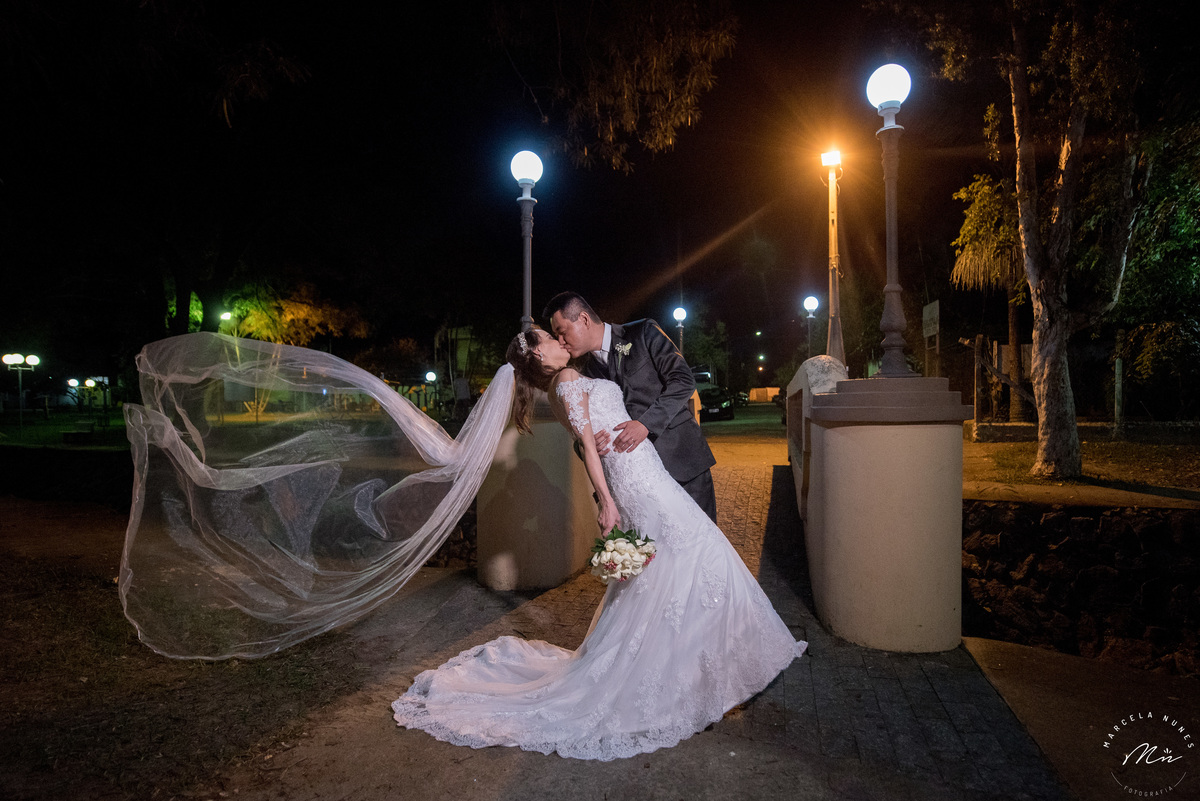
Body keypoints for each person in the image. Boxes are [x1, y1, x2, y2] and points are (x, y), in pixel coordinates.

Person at [391, 328, 806, 761]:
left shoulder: (568, 380)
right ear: (540, 354)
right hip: (635, 479)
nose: (557, 338)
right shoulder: (565, 382)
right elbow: (588, 447)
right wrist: (606, 502)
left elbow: (590, 434)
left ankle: (704, 662)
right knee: (697, 554)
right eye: (548, 337)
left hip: (644, 471)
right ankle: (702, 668)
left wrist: (609, 451)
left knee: (680, 565)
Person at [543, 291, 718, 522]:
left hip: (682, 465)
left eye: (562, 333)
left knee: (701, 548)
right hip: (638, 486)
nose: (561, 342)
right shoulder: (582, 374)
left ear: (584, 319)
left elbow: (683, 380)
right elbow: (581, 431)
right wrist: (588, 445)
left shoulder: (643, 331)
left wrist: (646, 424)